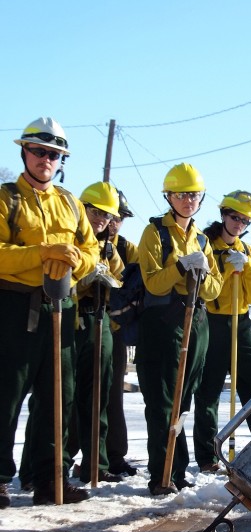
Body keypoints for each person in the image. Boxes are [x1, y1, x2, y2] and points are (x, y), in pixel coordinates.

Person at [0, 117, 100, 506]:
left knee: (58, 396)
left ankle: (48, 478)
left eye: (54, 154)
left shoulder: (71, 203)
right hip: (13, 307)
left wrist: (76, 259)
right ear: (23, 151)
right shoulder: (7, 198)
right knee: (6, 395)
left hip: (61, 306)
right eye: (39, 151)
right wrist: (42, 254)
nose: (46, 159)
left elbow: (91, 252)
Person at [136, 163, 232, 495]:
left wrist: (203, 273)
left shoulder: (203, 239)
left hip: (198, 322)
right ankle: (160, 473)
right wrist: (179, 266)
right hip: (164, 323)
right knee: (163, 400)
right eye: (181, 195)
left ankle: (177, 470)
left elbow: (215, 289)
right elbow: (153, 284)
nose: (188, 200)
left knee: (184, 399)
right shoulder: (155, 233)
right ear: (169, 197)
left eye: (193, 195)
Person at [193, 190, 251, 472]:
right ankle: (207, 456)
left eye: (244, 220)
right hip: (212, 323)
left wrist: (249, 266)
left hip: (241, 324)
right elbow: (208, 288)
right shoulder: (204, 243)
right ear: (223, 214)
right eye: (234, 217)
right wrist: (228, 268)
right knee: (208, 391)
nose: (238, 223)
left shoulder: (247, 251)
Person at [68, 182, 124, 483]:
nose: (101, 219)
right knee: (63, 396)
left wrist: (109, 273)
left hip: (98, 321)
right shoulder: (68, 236)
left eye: (107, 215)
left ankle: (95, 464)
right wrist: (83, 277)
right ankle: (51, 465)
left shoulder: (109, 246)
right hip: (70, 321)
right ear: (83, 208)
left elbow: (121, 277)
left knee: (98, 397)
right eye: (95, 212)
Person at [106, 188, 139, 477]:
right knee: (69, 394)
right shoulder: (82, 239)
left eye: (119, 217)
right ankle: (49, 463)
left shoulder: (128, 249)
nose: (114, 221)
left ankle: (113, 456)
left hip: (115, 329)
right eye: (109, 215)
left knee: (113, 393)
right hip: (78, 324)